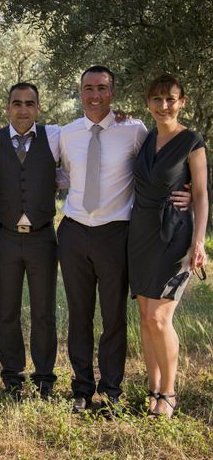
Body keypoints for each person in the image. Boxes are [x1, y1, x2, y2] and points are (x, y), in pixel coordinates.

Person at [58, 66, 190, 415]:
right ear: (80, 91)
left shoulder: (134, 130)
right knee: (79, 315)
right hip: (72, 231)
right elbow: (60, 174)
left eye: (102, 88)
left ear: (113, 92)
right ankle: (81, 389)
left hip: (117, 233)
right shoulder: (66, 134)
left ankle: (111, 390)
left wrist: (186, 192)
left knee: (114, 317)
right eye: (89, 88)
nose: (95, 95)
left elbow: (165, 159)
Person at [0, 83, 59, 399]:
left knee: (44, 311)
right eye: (17, 103)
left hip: (43, 238)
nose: (23, 110)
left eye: (29, 104)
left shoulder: (57, 136)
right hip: (5, 238)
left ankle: (45, 378)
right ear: (7, 107)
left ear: (38, 107)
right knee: (6, 310)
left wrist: (120, 117)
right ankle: (12, 378)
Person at [128, 74, 207, 418]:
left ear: (182, 101)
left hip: (174, 235)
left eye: (170, 99)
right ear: (148, 103)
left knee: (160, 318)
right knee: (145, 318)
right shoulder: (145, 139)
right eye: (157, 99)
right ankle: (154, 388)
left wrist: (199, 240)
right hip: (141, 233)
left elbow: (202, 193)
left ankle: (170, 392)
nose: (164, 106)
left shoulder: (192, 141)